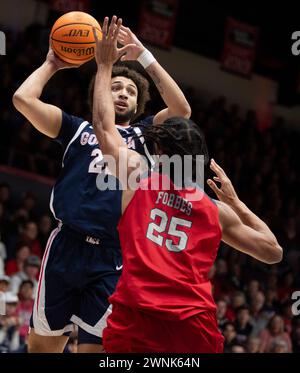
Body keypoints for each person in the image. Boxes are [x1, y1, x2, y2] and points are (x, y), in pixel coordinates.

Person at [92, 16, 283, 352]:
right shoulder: (216, 209)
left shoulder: (138, 177)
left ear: (161, 151)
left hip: (134, 318)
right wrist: (237, 202)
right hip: (192, 327)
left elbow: (105, 130)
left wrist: (105, 66)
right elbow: (272, 252)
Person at [12, 16, 191, 352]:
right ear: (99, 93)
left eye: (131, 91)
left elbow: (182, 109)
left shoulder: (147, 135)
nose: (123, 93)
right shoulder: (76, 129)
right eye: (115, 87)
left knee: (96, 351)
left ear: (138, 105)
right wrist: (52, 63)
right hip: (67, 245)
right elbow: (23, 99)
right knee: (41, 348)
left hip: (113, 255)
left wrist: (143, 56)